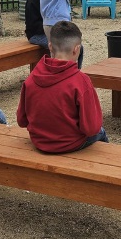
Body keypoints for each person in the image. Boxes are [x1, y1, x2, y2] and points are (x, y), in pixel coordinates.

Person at [16, 21, 108, 153]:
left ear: (50, 46)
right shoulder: (81, 81)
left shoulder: (31, 78)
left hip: (39, 141)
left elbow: (21, 120)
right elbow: (91, 128)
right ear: (77, 49)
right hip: (71, 143)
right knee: (101, 133)